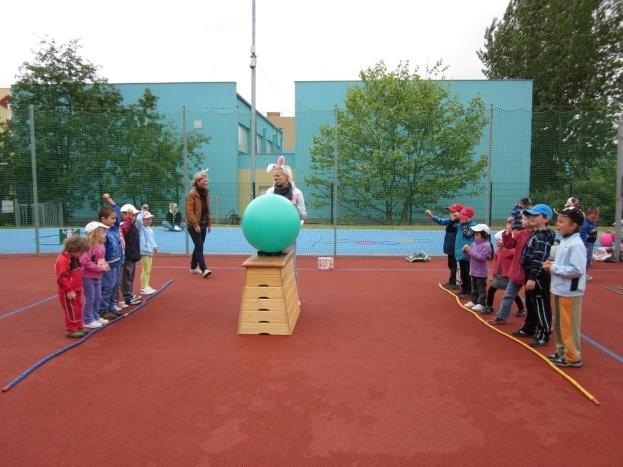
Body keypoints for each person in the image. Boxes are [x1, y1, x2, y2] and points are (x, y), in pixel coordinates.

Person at [544, 206, 587, 368]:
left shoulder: (576, 244)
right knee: (560, 324)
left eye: (561, 221)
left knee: (569, 324)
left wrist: (553, 268)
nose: (558, 224)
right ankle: (561, 351)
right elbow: (565, 264)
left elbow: (577, 270)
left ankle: (572, 356)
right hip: (561, 289)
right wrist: (553, 264)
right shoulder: (566, 241)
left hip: (570, 291)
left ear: (573, 225)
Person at [514, 203, 555, 347]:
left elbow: (539, 257)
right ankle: (529, 327)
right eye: (529, 215)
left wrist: (532, 277)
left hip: (537, 274)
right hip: (530, 272)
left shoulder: (542, 236)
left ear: (545, 218)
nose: (531, 217)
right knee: (531, 301)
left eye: (535, 215)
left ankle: (543, 334)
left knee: (540, 302)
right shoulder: (536, 234)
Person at [489, 213, 533, 325]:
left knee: (533, 299)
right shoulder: (521, 233)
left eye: (524, 219)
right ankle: (501, 316)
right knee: (508, 295)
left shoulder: (538, 236)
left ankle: (536, 323)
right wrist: (508, 230)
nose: (522, 221)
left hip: (531, 272)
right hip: (517, 271)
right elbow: (509, 244)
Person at [485, 224, 525, 317]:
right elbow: (497, 264)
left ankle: (521, 309)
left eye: (499, 239)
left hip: (508, 276)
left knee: (512, 294)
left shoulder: (512, 251)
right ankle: (489, 306)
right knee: (491, 290)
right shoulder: (498, 251)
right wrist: (493, 274)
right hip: (498, 275)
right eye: (496, 240)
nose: (497, 242)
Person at [55, 234, 89, 338]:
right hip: (69, 291)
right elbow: (62, 278)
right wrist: (68, 290)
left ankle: (79, 326)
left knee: (78, 308)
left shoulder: (74, 258)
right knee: (71, 310)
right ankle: (71, 329)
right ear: (74, 248)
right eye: (80, 252)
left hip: (77, 289)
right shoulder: (63, 260)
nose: (81, 254)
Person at [98, 194, 124, 321]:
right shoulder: (100, 232)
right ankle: (103, 310)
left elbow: (118, 212)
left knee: (115, 285)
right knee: (107, 286)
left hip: (117, 263)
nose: (115, 220)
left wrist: (110, 201)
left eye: (115, 219)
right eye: (112, 218)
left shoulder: (113, 228)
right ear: (103, 219)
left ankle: (112, 305)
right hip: (108, 265)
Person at [80, 221, 111, 329]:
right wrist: (99, 268)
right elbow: (85, 262)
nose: (104, 234)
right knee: (90, 298)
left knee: (98, 297)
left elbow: (101, 259)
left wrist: (105, 265)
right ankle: (87, 320)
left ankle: (95, 316)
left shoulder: (101, 245)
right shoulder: (88, 247)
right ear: (95, 233)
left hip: (98, 276)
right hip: (87, 277)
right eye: (102, 232)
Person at [424, 203, 462, 289]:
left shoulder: (460, 223)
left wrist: (453, 220)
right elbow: (442, 221)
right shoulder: (451, 220)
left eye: (453, 212)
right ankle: (452, 281)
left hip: (455, 248)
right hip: (450, 248)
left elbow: (450, 227)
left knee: (455, 266)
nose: (451, 213)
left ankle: (456, 283)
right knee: (451, 265)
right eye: (451, 212)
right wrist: (431, 216)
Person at [185, 169, 212, 277]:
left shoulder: (205, 193)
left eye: (206, 180)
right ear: (197, 181)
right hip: (193, 225)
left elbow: (207, 209)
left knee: (198, 246)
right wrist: (195, 225)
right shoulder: (191, 194)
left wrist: (209, 223)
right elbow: (189, 211)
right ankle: (204, 269)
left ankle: (193, 267)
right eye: (203, 180)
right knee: (199, 246)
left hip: (204, 224)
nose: (205, 182)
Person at [462, 224, 492, 313]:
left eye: (477, 234)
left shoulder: (486, 245)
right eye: (474, 234)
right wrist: (465, 251)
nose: (475, 236)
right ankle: (474, 301)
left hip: (481, 272)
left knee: (481, 288)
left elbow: (482, 257)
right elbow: (471, 255)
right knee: (474, 287)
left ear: (484, 235)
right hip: (473, 270)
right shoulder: (473, 244)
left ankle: (481, 303)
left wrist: (470, 251)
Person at [120, 203, 142, 306]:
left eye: (134, 215)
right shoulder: (123, 226)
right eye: (131, 215)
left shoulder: (132, 226)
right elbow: (125, 228)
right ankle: (127, 297)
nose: (133, 217)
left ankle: (129, 294)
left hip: (132, 256)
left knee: (130, 277)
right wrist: (129, 219)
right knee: (126, 277)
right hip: (127, 256)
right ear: (124, 215)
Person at [454, 206, 476, 299]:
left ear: (468, 216)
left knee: (468, 274)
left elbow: (468, 234)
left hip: (468, 254)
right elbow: (451, 226)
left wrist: (463, 224)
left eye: (463, 215)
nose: (461, 217)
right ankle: (464, 289)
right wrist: (454, 218)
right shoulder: (460, 223)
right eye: (461, 215)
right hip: (460, 253)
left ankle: (470, 292)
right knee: (463, 273)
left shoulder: (473, 225)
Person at [137, 208, 159, 294]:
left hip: (150, 251)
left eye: (150, 219)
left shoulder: (150, 229)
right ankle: (143, 287)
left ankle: (146, 285)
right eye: (147, 219)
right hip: (143, 251)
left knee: (148, 270)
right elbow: (138, 220)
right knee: (145, 269)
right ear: (143, 220)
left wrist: (155, 246)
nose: (149, 220)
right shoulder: (140, 228)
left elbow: (152, 240)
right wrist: (142, 212)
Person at [580, 206, 599, 280]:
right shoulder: (585, 225)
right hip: (586, 244)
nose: (594, 220)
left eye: (596, 218)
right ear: (587, 216)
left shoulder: (593, 223)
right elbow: (582, 236)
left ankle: (585, 273)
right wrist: (584, 246)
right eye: (593, 218)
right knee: (586, 259)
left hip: (591, 244)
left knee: (589, 260)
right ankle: (583, 274)